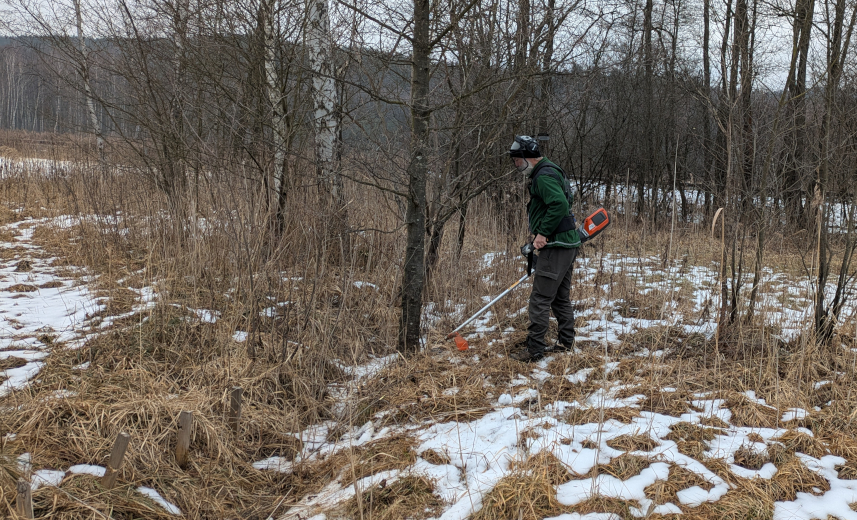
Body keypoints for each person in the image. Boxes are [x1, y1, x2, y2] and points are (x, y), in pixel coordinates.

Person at [508, 135, 581, 362]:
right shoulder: (552, 170)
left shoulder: (543, 176)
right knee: (560, 297)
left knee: (540, 298)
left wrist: (543, 233)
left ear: (527, 157)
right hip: (567, 243)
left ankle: (534, 350)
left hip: (557, 245)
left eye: (517, 161)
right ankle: (566, 342)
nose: (516, 166)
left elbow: (558, 204)